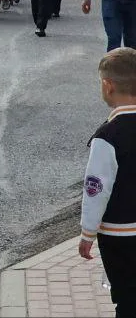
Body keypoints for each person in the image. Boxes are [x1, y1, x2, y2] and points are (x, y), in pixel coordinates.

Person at [79, 47, 136, 317]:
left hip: (120, 233)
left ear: (108, 85)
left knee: (127, 298)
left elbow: (96, 190)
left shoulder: (107, 136)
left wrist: (87, 232)